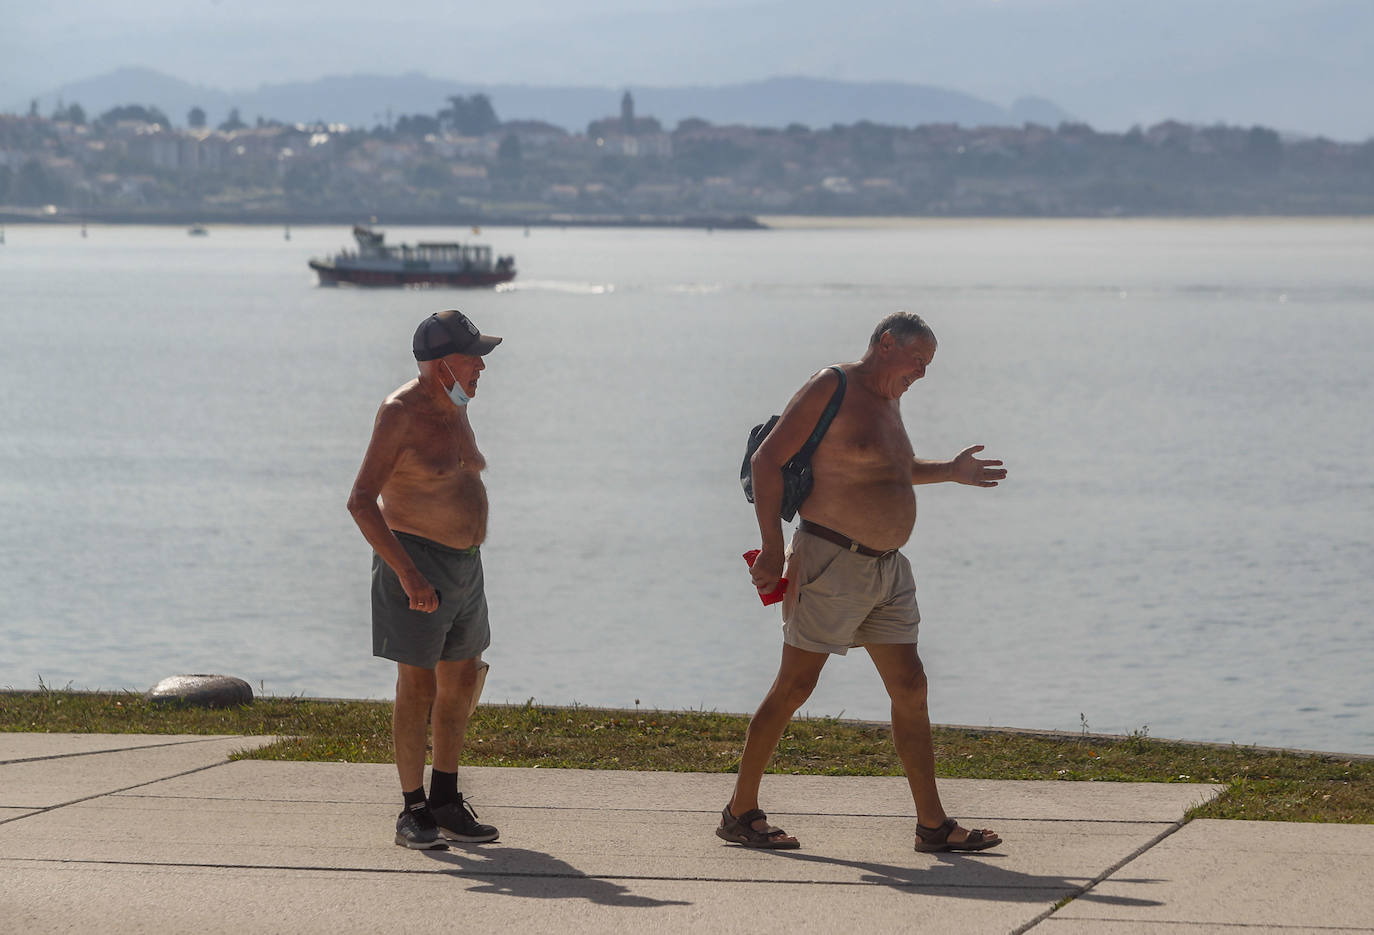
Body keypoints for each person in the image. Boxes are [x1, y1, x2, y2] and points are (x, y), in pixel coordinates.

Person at [719, 311, 1007, 853]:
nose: (921, 373)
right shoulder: (833, 385)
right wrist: (775, 549)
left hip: (888, 569)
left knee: (912, 685)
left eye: (928, 364)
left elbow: (887, 470)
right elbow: (766, 461)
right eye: (917, 359)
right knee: (795, 688)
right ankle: (740, 811)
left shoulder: (889, 401)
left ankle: (932, 825)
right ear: (886, 342)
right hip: (832, 561)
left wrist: (950, 469)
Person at [347, 310, 503, 850]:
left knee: (460, 681)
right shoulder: (400, 413)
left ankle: (446, 798)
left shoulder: (455, 406)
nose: (482, 365)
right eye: (472, 357)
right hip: (415, 564)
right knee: (417, 687)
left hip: (465, 566)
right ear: (442, 367)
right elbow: (361, 502)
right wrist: (409, 575)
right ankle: (412, 810)